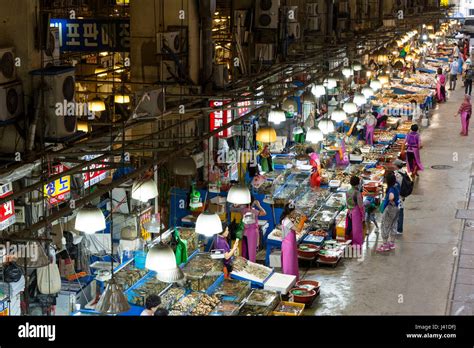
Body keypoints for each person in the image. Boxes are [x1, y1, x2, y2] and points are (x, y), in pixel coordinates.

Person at [377, 172, 400, 252]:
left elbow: (391, 197)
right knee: (394, 225)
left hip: (390, 209)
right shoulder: (396, 185)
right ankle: (392, 243)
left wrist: (390, 200)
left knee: (385, 226)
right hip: (397, 208)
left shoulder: (390, 189)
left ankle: (385, 245)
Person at [241, 197, 266, 263]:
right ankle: (251, 265)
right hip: (252, 234)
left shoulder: (243, 210)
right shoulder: (254, 211)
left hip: (245, 233)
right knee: (251, 252)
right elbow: (264, 212)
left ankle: (245, 265)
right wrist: (259, 205)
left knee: (245, 251)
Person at [279, 203, 299, 280]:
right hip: (289, 245)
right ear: (290, 212)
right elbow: (298, 229)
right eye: (294, 212)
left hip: (286, 244)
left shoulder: (284, 220)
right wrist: (302, 220)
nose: (295, 213)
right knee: (290, 263)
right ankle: (290, 279)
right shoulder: (287, 221)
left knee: (288, 262)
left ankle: (290, 278)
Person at [345, 176, 365, 246]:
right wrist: (363, 215)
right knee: (357, 230)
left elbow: (347, 204)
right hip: (356, 212)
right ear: (358, 183)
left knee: (349, 227)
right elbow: (360, 205)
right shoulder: (357, 193)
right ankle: (356, 244)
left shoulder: (347, 192)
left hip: (349, 212)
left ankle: (348, 243)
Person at [393, 159, 407, 235]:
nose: (393, 166)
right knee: (400, 211)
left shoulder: (397, 175)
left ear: (397, 166)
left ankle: (399, 229)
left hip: (398, 196)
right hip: (402, 195)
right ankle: (398, 228)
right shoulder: (404, 172)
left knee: (399, 212)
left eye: (394, 165)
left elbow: (396, 186)